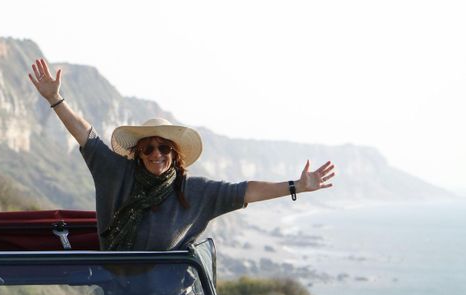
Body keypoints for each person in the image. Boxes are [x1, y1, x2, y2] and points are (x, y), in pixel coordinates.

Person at [28, 57, 335, 251]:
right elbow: (86, 134)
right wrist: (55, 98)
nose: (156, 154)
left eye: (163, 147)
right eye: (148, 148)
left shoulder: (194, 192)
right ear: (138, 153)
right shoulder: (115, 174)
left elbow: (246, 191)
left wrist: (295, 186)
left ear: (174, 153)